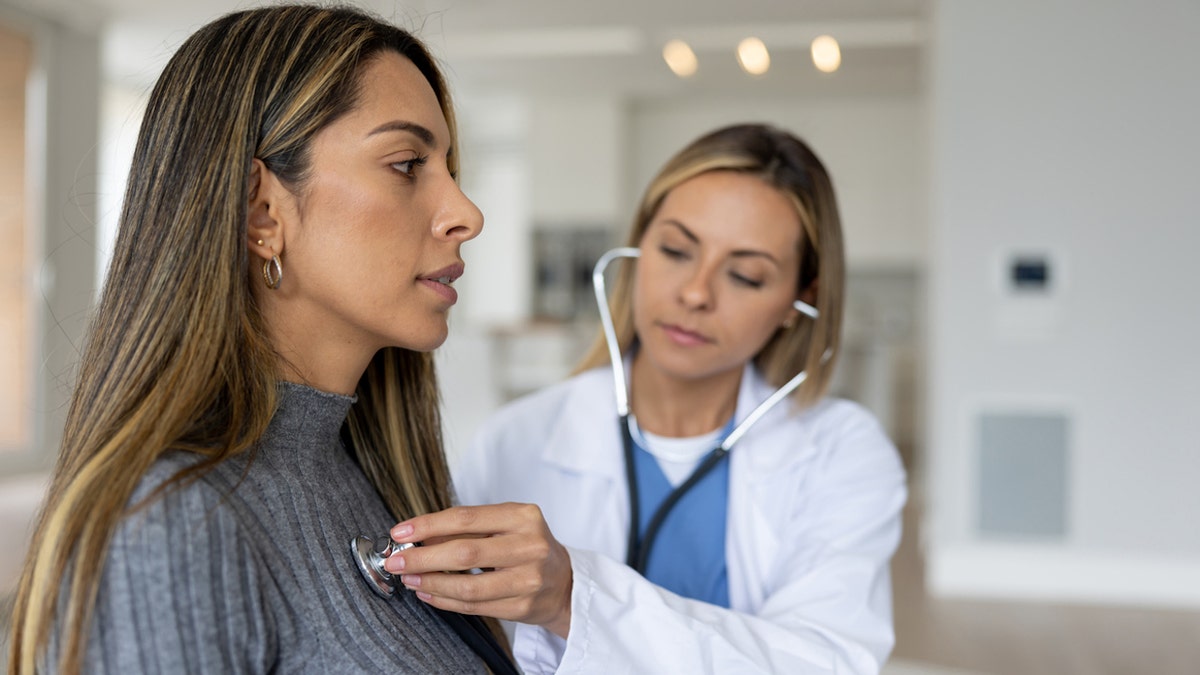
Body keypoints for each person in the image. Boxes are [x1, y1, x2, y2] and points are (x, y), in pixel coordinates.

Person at [6, 5, 518, 674]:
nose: (466, 214)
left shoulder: (372, 476)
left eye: (449, 170)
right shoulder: (168, 523)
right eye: (405, 164)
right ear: (261, 212)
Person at [385, 123, 907, 673]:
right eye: (676, 250)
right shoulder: (517, 439)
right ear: (638, 250)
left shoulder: (842, 453)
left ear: (799, 301)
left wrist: (575, 601)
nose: (695, 293)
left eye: (746, 276)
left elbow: (824, 662)